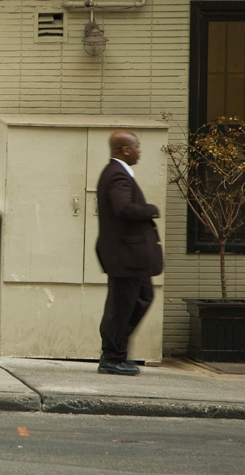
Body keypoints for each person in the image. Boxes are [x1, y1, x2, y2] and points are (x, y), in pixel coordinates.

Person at [95, 130, 163, 376]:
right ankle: (112, 357)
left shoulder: (119, 173)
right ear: (125, 149)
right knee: (121, 307)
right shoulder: (117, 175)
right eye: (137, 147)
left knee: (142, 298)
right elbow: (123, 208)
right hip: (126, 256)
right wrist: (150, 209)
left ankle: (117, 353)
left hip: (132, 258)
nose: (139, 151)